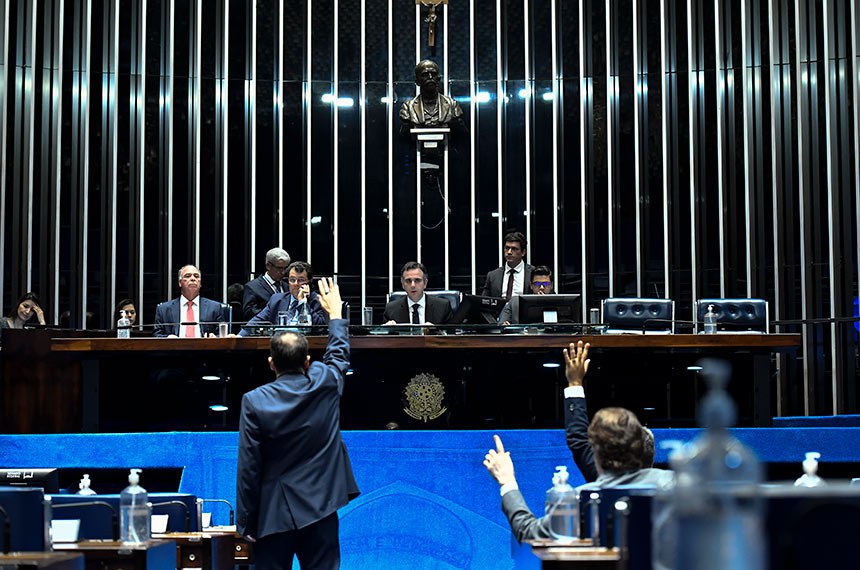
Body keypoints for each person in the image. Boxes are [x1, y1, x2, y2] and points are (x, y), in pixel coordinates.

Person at [236, 277, 360, 570]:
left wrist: (245, 523)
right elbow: (338, 354)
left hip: (273, 515)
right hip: (321, 510)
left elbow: (249, 468)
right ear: (306, 361)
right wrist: (336, 314)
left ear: (271, 363)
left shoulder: (254, 401)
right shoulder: (325, 382)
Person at [563, 341, 656, 483]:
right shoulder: (672, 489)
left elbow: (578, 439)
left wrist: (574, 382)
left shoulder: (598, 481)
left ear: (598, 457)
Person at [240, 261, 327, 335]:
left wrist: (303, 303)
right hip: (279, 344)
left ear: (309, 282)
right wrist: (239, 336)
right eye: (292, 280)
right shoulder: (277, 299)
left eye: (300, 280)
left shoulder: (318, 300)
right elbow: (257, 321)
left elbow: (320, 327)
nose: (296, 284)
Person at [153, 264, 227, 337]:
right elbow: (157, 335)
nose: (193, 279)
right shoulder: (164, 309)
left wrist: (214, 338)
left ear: (200, 283)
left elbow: (222, 335)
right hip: (175, 347)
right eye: (188, 276)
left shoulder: (215, 307)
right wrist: (168, 339)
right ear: (180, 282)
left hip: (204, 348)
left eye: (196, 276)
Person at [399, 60, 465, 132]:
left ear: (438, 79)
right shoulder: (408, 107)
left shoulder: (452, 105)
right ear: (417, 81)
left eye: (433, 74)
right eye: (425, 74)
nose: (430, 77)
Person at [382, 261, 453, 325]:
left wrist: (434, 332)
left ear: (425, 283)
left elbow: (451, 337)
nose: (413, 285)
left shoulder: (442, 307)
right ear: (402, 283)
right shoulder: (391, 309)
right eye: (408, 281)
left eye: (417, 280)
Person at [481, 231, 534, 299]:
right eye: (507, 248)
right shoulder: (492, 276)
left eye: (514, 249)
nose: (509, 252)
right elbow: (484, 301)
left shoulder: (533, 273)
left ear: (523, 252)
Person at [243, 248, 291, 320]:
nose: (283, 272)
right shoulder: (253, 287)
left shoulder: (287, 286)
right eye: (279, 268)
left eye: (285, 268)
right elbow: (248, 313)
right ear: (268, 266)